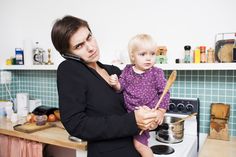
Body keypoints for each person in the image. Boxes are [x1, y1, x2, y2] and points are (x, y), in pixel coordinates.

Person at [51, 15, 159, 157]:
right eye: (79, 46)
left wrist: (150, 117)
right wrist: (133, 120)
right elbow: (76, 124)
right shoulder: (70, 69)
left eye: (89, 38)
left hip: (136, 149)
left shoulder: (114, 71)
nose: (90, 48)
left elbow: (135, 101)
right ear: (68, 54)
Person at [109, 34, 170, 157]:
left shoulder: (156, 73)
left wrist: (161, 112)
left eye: (152, 54)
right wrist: (115, 84)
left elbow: (164, 93)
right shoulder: (127, 71)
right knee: (128, 144)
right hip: (130, 117)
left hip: (147, 116)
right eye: (143, 54)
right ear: (133, 56)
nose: (148, 58)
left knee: (139, 146)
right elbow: (121, 88)